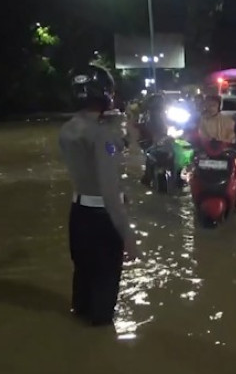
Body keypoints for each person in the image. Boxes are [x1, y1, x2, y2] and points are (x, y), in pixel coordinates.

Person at [58, 64, 139, 326]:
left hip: (78, 215)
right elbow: (109, 190)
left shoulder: (67, 130)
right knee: (102, 307)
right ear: (105, 93)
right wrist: (128, 236)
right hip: (102, 220)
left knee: (83, 282)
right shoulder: (105, 135)